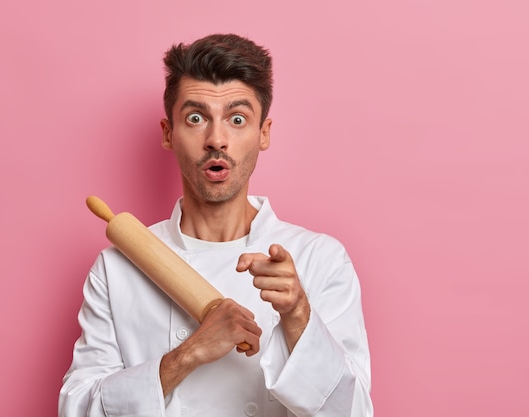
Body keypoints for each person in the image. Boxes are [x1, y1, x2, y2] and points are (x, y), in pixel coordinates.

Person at [59, 33, 373, 417]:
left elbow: (354, 411)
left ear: (263, 134)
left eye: (237, 119)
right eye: (195, 118)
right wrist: (189, 353)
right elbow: (76, 409)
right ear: (168, 133)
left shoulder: (319, 260)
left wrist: (298, 316)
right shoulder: (117, 268)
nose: (217, 139)